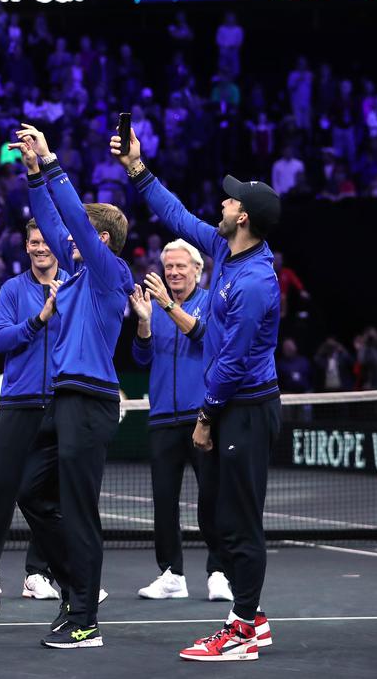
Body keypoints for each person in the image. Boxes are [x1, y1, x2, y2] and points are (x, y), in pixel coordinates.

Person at [112, 126, 280, 662]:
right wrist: (138, 169)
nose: (224, 202)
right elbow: (178, 216)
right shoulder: (224, 250)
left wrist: (206, 414)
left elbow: (231, 359)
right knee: (220, 518)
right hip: (231, 407)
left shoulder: (255, 281)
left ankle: (241, 631)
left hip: (245, 408)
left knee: (237, 521)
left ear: (245, 218)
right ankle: (253, 620)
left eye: (232, 199)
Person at [8, 124, 133, 649]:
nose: (61, 243)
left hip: (90, 400)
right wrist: (33, 171)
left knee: (79, 509)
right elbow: (51, 220)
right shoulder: (79, 275)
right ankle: (75, 587)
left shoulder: (110, 273)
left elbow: (71, 226)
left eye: (80, 235)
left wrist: (54, 159)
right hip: (64, 401)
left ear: (97, 240)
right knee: (30, 493)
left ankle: (84, 619)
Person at [0, 217, 70, 602]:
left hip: (61, 404)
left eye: (46, 242)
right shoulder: (11, 289)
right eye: (34, 242)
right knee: (0, 490)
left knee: (49, 496)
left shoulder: (74, 285)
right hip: (19, 403)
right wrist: (40, 319)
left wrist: (64, 308)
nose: (41, 248)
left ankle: (38, 574)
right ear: (26, 247)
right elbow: (0, 338)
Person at [129, 242, 232, 602]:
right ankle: (171, 574)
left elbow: (204, 337)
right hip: (162, 419)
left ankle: (219, 571)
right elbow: (141, 359)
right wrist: (143, 321)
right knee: (163, 501)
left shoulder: (211, 302)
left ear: (197, 270)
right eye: (167, 266)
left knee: (212, 499)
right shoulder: (153, 308)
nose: (172, 272)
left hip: (202, 417)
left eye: (179, 267)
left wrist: (167, 307)